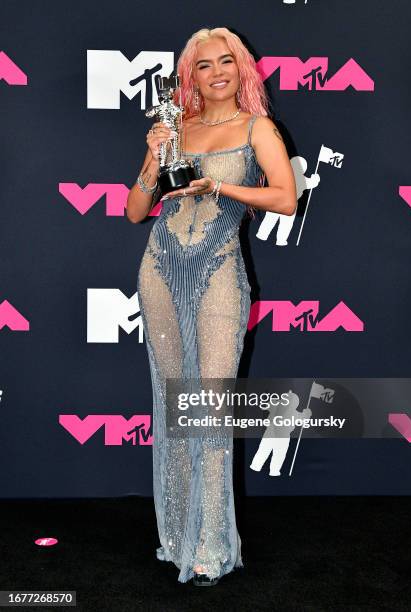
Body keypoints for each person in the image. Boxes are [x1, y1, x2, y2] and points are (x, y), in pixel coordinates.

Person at [126, 26, 297, 586]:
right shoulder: (177, 129)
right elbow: (134, 211)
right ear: (190, 75)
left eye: (227, 61)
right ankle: (176, 537)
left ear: (241, 68)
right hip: (159, 267)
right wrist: (155, 157)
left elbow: (285, 198)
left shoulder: (257, 127)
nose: (217, 72)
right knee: (175, 409)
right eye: (204, 65)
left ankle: (211, 546)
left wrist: (219, 189)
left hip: (219, 270)